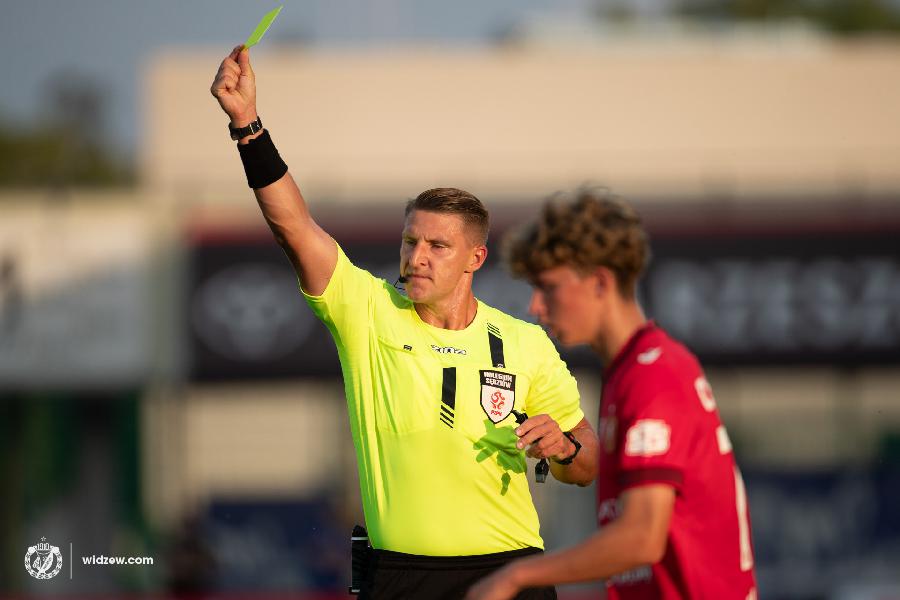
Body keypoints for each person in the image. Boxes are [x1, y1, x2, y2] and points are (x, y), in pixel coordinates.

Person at [210, 46, 599, 600]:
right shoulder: (366, 310)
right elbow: (294, 227)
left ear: (475, 258)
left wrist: (564, 448)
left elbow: (588, 463)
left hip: (510, 573)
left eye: (438, 246)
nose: (417, 257)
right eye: (410, 241)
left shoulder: (524, 342)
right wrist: (248, 126)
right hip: (402, 577)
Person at [466, 190, 758, 600]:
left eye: (548, 288)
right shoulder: (628, 372)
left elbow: (641, 537)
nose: (535, 306)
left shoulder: (653, 375)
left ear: (600, 282)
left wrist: (515, 576)